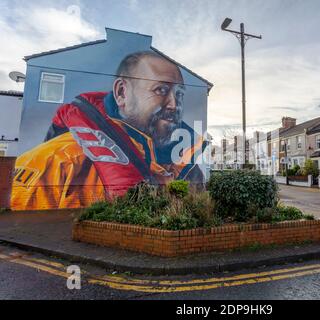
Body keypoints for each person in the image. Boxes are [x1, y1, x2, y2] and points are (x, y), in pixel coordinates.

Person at [11, 51, 206, 210]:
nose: (174, 104)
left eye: (179, 94)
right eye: (161, 90)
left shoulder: (185, 165)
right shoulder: (57, 161)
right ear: (122, 92)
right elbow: (20, 228)